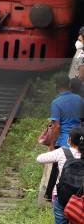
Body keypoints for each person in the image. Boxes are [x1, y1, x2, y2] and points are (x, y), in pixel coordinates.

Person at [44, 73, 84, 201]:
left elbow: (56, 127)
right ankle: (76, 194)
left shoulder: (56, 102)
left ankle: (52, 195)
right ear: (70, 84)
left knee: (57, 169)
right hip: (78, 138)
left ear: (57, 86)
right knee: (78, 166)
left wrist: (51, 144)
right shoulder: (79, 99)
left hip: (63, 140)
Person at [37, 126, 84, 224]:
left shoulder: (62, 152)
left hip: (62, 197)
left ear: (69, 140)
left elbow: (39, 158)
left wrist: (55, 150)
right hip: (81, 199)